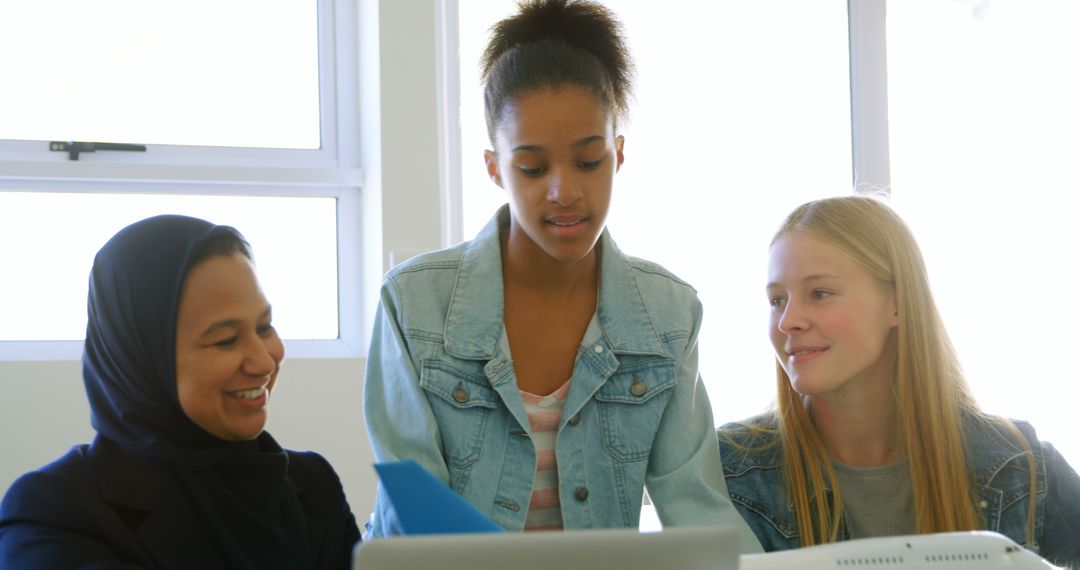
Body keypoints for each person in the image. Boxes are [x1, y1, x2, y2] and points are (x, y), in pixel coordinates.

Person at [362, 0, 759, 549]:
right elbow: (419, 518)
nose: (564, 191)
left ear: (618, 154)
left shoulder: (668, 315)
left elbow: (697, 506)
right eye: (533, 167)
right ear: (494, 167)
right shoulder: (413, 303)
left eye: (588, 161)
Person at [717, 195, 1080, 565]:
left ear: (898, 304)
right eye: (777, 300)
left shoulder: (1020, 463)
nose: (787, 320)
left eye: (819, 293)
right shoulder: (729, 471)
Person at [0, 215, 360, 569]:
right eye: (226, 340)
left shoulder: (312, 484)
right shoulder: (55, 510)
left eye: (265, 327)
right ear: (141, 358)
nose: (264, 362)